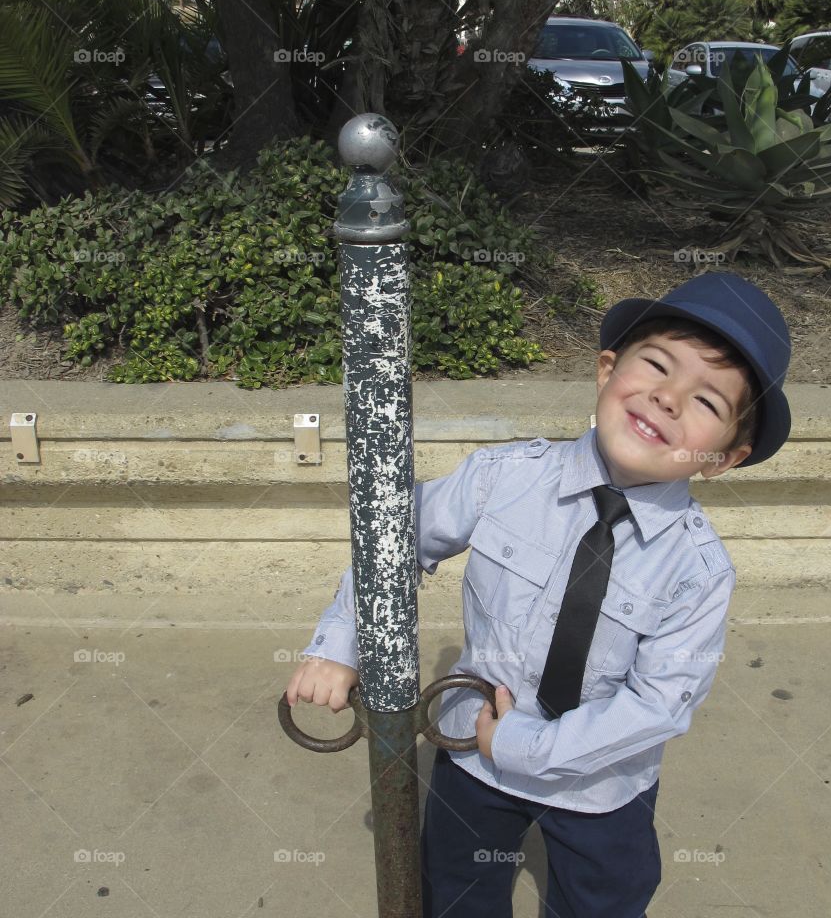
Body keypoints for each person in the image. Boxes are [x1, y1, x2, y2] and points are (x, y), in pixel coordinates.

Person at [285, 270, 792, 918]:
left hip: (601, 782)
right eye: (657, 366)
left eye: (707, 402)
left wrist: (528, 747)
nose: (667, 398)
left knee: (605, 902)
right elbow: (392, 539)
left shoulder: (697, 571)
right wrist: (341, 642)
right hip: (471, 752)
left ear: (723, 457)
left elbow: (660, 703)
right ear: (608, 370)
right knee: (455, 893)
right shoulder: (504, 477)